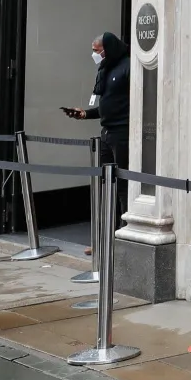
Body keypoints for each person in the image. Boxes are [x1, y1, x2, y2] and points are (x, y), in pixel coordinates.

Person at [60, 32, 131, 241]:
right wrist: (85, 114)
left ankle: (124, 233)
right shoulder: (105, 69)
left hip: (123, 133)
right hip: (107, 132)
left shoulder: (127, 66)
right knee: (106, 185)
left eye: (97, 50)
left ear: (108, 48)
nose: (95, 55)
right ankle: (105, 237)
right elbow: (108, 106)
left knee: (123, 186)